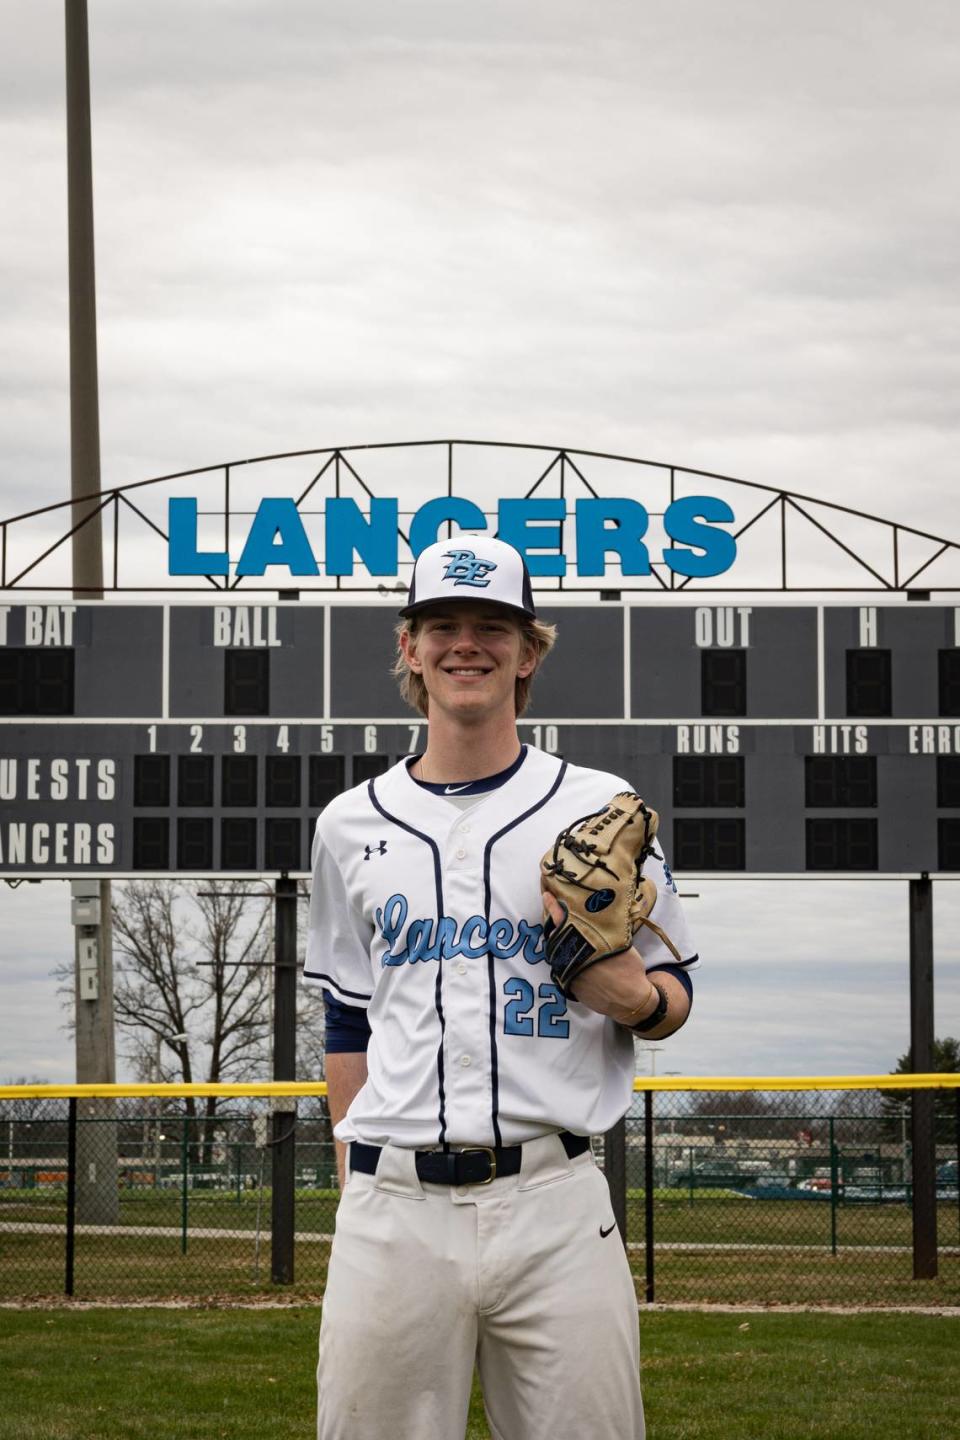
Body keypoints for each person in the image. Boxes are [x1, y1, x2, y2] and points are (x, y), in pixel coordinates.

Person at [304, 535, 698, 1440]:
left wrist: (636, 1001)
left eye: (492, 625)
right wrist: (354, 1187)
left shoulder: (598, 806)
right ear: (410, 647)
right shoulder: (348, 824)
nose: (465, 644)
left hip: (554, 1200)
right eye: (442, 624)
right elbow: (345, 1019)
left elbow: (674, 989)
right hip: (392, 1206)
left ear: (529, 652)